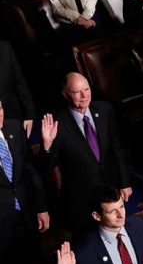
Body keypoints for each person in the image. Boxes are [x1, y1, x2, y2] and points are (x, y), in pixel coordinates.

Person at [41, 74, 131, 234]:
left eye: (87, 89)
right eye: (77, 92)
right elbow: (47, 168)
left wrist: (124, 182)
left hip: (111, 189)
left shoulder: (105, 110)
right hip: (82, 199)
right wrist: (47, 146)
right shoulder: (57, 123)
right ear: (66, 94)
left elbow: (117, 148)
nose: (84, 96)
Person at [0, 96, 48, 264]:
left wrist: (42, 208)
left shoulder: (14, 128)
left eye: (1, 107)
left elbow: (30, 170)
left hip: (28, 216)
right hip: (2, 226)